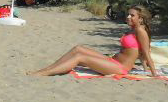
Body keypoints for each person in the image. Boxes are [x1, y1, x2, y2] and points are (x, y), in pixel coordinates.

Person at [28, 6, 158, 77]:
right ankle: (48, 68)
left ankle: (44, 73)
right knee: (78, 48)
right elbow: (139, 52)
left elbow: (146, 52)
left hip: (120, 68)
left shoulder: (141, 31)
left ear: (140, 19)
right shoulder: (133, 29)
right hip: (113, 60)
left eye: (132, 15)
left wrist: (154, 73)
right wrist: (144, 68)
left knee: (79, 57)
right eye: (128, 14)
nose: (128, 17)